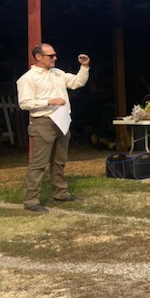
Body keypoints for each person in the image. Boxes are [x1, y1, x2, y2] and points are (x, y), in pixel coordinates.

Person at [16, 43, 90, 211]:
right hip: (43, 122)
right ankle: (31, 200)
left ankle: (61, 193)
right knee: (39, 163)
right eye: (51, 56)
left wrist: (84, 66)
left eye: (54, 55)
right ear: (39, 57)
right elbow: (24, 103)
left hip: (62, 120)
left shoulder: (58, 73)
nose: (55, 58)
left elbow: (77, 82)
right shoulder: (28, 78)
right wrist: (49, 101)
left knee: (59, 160)